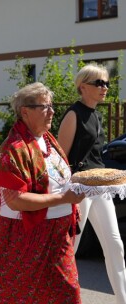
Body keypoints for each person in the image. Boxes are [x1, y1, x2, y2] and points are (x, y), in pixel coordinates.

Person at [0, 82, 85, 303]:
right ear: (25, 111)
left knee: (67, 293)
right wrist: (63, 198)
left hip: (57, 238)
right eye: (45, 106)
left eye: (51, 105)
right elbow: (16, 201)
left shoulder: (48, 141)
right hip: (26, 239)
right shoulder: (13, 148)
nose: (52, 111)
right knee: (21, 297)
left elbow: (57, 178)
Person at [58, 63, 126, 303]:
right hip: (78, 188)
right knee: (71, 247)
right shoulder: (73, 114)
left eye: (106, 83)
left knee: (115, 244)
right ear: (83, 86)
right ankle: (56, 296)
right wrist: (68, 189)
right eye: (99, 83)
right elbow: (60, 158)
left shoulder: (97, 115)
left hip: (99, 186)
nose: (104, 87)